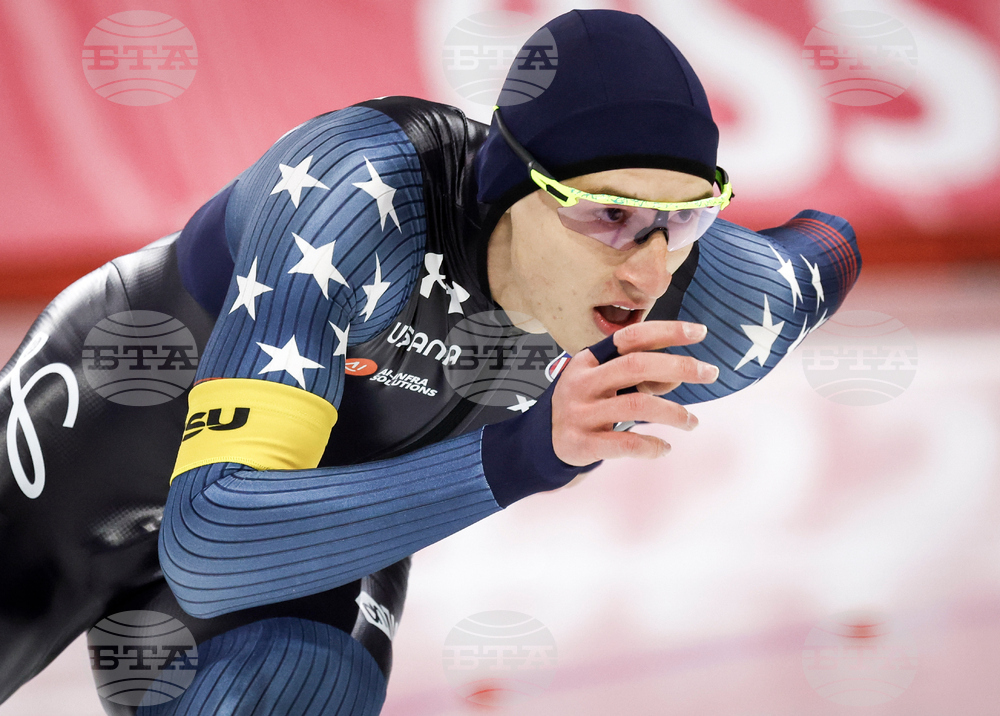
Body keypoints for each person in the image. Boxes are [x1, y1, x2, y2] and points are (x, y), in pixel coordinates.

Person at [0, 8, 860, 715]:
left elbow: (820, 257)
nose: (645, 264)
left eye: (687, 217)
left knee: (298, 690)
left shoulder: (701, 298)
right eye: (604, 215)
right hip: (94, 439)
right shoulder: (360, 195)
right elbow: (211, 534)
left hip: (306, 522)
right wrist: (528, 453)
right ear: (509, 185)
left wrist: (805, 243)